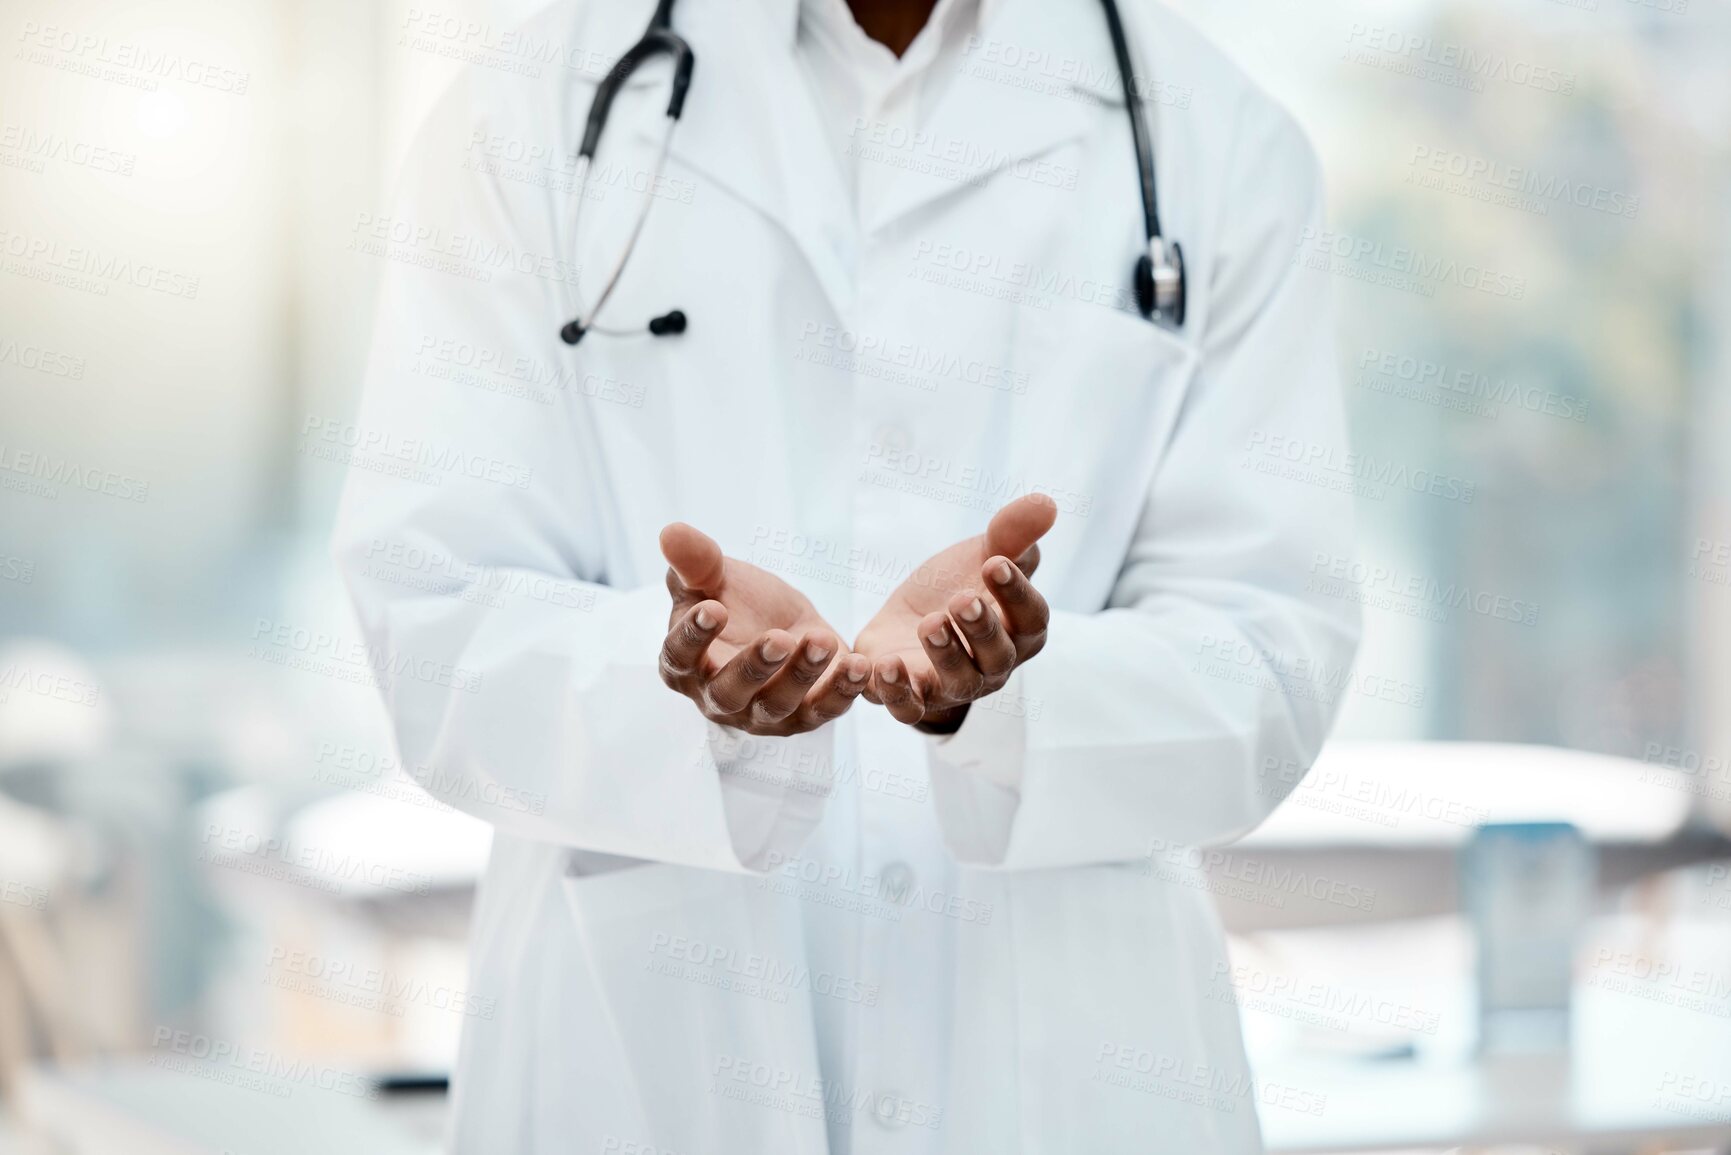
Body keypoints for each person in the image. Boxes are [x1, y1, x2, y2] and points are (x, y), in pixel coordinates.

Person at [334, 0, 1360, 1148]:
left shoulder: (1221, 143)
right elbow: (432, 614)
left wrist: (1020, 702)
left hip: (1073, 1070)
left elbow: (1269, 652)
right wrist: (675, 687)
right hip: (643, 1058)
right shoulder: (519, 117)